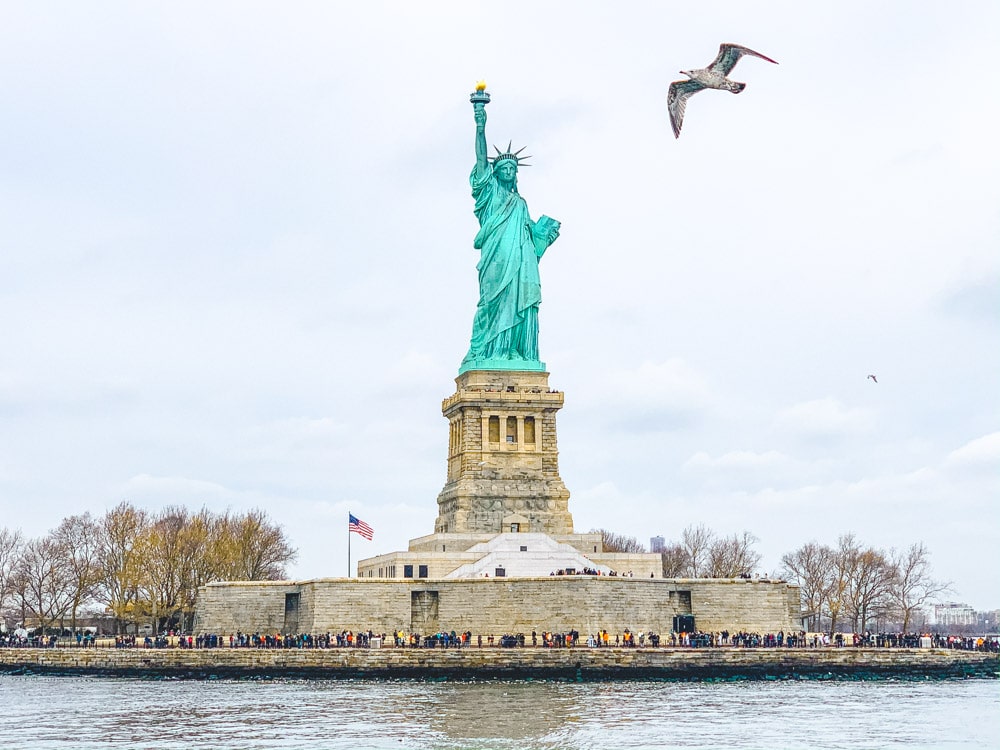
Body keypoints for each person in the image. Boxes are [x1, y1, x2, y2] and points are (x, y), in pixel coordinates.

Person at [460, 99, 560, 372]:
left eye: (512, 169)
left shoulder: (521, 204)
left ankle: (514, 350)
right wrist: (480, 124)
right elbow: (481, 160)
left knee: (519, 301)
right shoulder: (489, 193)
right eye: (503, 168)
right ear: (495, 172)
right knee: (491, 302)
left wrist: (544, 237)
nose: (507, 171)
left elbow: (531, 242)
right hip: (496, 258)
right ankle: (488, 349)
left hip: (520, 263)